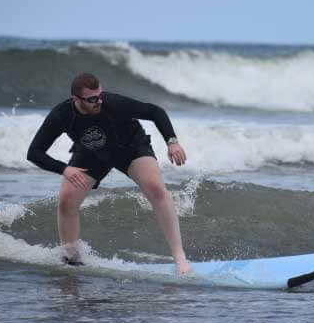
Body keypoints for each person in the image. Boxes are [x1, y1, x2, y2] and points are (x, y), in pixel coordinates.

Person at [27, 72, 192, 275]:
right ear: (76, 100)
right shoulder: (62, 115)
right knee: (66, 199)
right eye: (92, 99)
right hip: (91, 153)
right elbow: (34, 152)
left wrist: (172, 142)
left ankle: (180, 258)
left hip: (130, 147)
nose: (99, 101)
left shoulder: (113, 102)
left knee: (156, 188)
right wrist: (64, 169)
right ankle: (71, 260)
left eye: (100, 95)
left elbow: (155, 112)